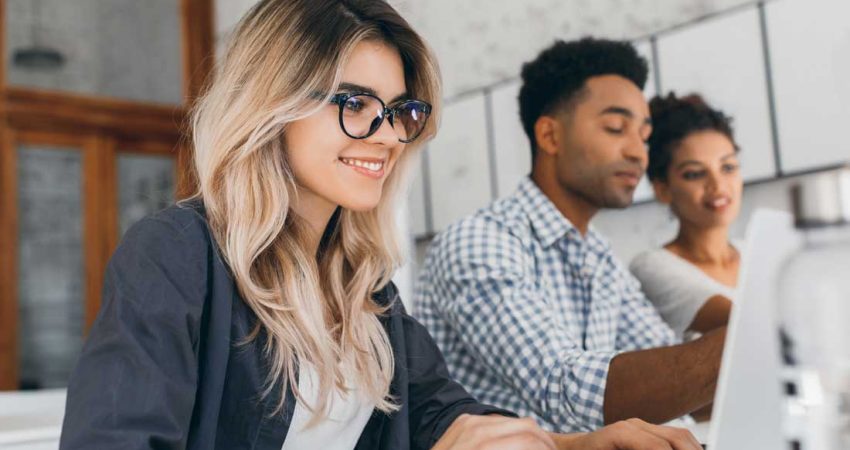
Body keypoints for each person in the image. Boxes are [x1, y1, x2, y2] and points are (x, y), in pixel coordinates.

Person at [58, 1, 701, 449]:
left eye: (399, 112)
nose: (389, 135)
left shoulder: (363, 288)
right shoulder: (177, 254)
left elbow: (442, 417)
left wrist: (579, 445)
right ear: (272, 103)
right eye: (355, 103)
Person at [414, 37, 726, 433]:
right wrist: (743, 338)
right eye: (616, 128)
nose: (638, 152)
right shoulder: (479, 243)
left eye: (644, 136)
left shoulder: (599, 255)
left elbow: (669, 367)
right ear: (550, 136)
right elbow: (562, 389)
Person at [630, 93, 742, 339]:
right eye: (695, 174)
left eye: (728, 167)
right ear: (663, 189)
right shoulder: (651, 268)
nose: (718, 186)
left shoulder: (755, 253)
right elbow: (741, 324)